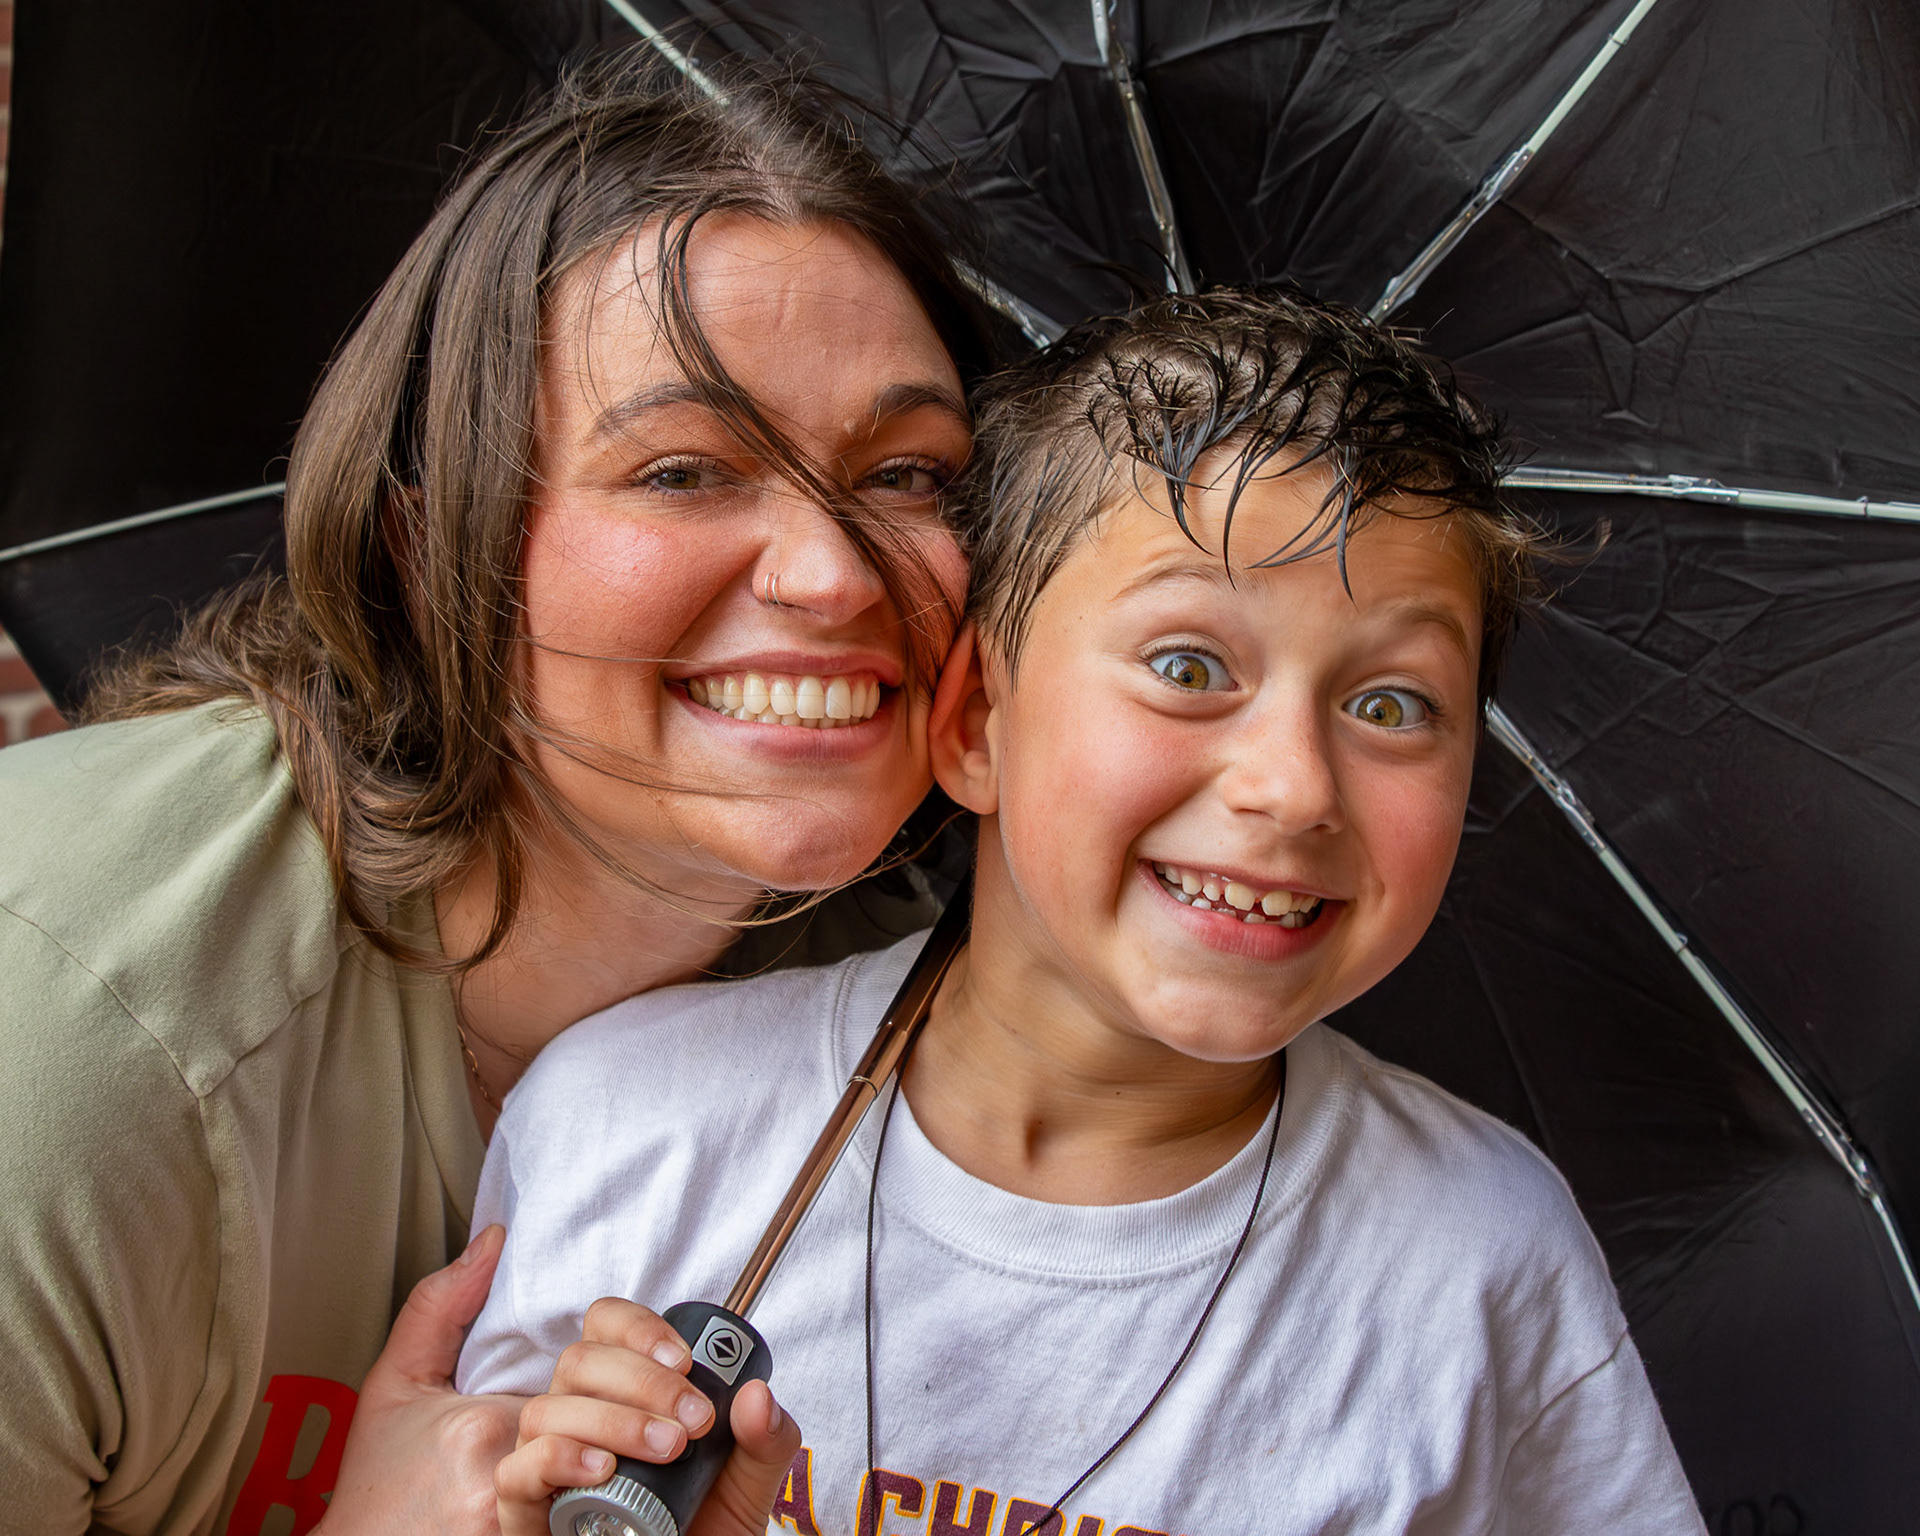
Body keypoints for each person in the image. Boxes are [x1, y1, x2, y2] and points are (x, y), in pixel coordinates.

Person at [459, 288, 1707, 1534]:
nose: (1293, 788)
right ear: (977, 721)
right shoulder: (627, 1131)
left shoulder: (1484, 1268)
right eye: (1188, 667)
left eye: (1391, 705)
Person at [0, 52, 1006, 1536]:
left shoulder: (927, 1042)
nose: (832, 573)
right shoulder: (67, 1023)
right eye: (682, 471)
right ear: (429, 550)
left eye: (910, 475)